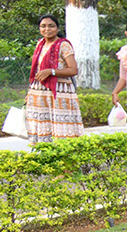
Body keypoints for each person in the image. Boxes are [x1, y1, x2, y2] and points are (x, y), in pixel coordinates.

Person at [25, 14, 84, 144]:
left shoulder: (63, 45)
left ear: (57, 28)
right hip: (40, 92)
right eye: (43, 26)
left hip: (59, 92)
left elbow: (73, 70)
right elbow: (37, 69)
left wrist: (51, 72)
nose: (47, 29)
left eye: (51, 26)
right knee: (43, 129)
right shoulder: (40, 43)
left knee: (61, 129)